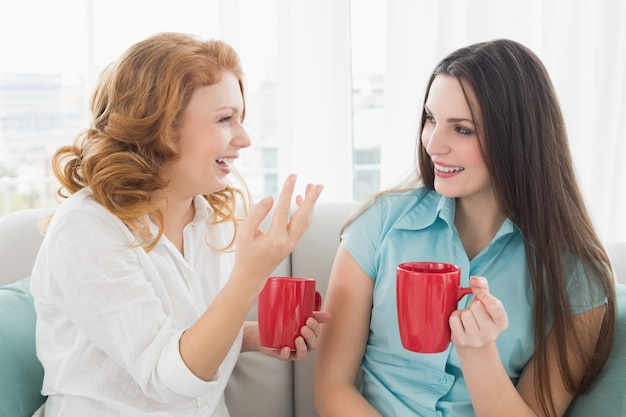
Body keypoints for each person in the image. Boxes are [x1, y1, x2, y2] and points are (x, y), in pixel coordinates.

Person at [30, 32, 327, 417]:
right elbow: (169, 381)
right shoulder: (87, 229)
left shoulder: (213, 216)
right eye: (225, 119)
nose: (245, 138)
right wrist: (249, 276)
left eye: (241, 118)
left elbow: (184, 338)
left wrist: (250, 337)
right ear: (160, 127)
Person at [313, 39, 616, 417]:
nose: (433, 144)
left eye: (462, 129)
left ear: (517, 140)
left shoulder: (577, 281)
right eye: (430, 119)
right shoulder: (378, 226)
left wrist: (478, 354)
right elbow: (331, 386)